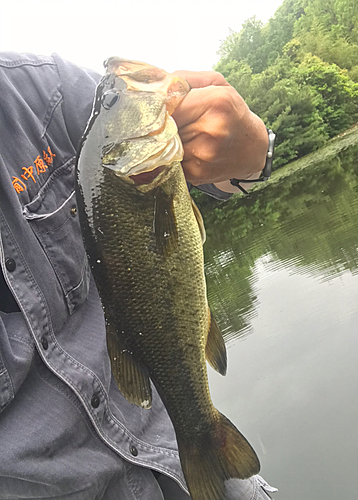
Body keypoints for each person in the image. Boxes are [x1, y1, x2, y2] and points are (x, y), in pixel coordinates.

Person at [0, 52, 277, 499]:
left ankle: (202, 439)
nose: (114, 83)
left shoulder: (41, 91)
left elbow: (226, 168)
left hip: (165, 443)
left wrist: (252, 148)